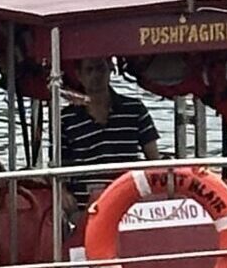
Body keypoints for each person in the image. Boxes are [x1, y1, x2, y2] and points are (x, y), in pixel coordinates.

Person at [59, 57, 160, 219]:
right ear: (79, 75)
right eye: (89, 70)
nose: (96, 75)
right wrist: (62, 193)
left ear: (110, 69)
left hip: (130, 201)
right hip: (85, 205)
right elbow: (60, 167)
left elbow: (154, 160)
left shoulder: (135, 109)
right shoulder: (66, 119)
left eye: (100, 68)